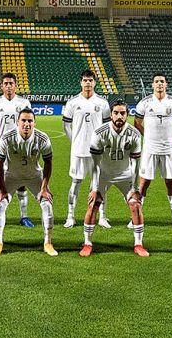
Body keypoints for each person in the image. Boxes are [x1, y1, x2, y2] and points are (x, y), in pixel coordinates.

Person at [80, 100, 145, 257]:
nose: (119, 116)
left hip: (125, 175)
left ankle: (138, 244)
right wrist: (95, 188)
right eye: (116, 113)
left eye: (123, 113)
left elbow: (136, 164)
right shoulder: (99, 133)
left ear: (127, 115)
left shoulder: (135, 134)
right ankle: (87, 243)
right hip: (103, 175)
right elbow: (94, 165)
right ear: (111, 114)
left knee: (136, 205)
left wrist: (135, 189)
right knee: (92, 205)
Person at [0, 108, 57, 257]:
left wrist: (44, 187)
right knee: (0, 205)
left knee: (47, 204)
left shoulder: (43, 138)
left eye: (30, 121)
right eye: (23, 120)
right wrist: (1, 188)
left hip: (34, 175)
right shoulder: (6, 138)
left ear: (34, 122)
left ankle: (48, 242)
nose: (27, 124)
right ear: (17, 122)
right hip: (12, 175)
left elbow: (48, 162)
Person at [0, 73, 34, 228]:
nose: (9, 86)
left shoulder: (24, 103)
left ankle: (24, 216)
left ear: (15, 85)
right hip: (1, 148)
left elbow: (30, 124)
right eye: (6, 83)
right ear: (2, 86)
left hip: (20, 148)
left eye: (11, 83)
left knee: (22, 182)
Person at [133, 72, 172, 228]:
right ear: (152, 85)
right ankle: (135, 216)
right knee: (143, 184)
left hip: (168, 149)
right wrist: (147, 136)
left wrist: (169, 137)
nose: (159, 84)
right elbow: (137, 122)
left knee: (170, 182)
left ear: (166, 84)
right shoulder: (145, 102)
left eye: (162, 81)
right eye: (157, 81)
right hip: (149, 149)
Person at [61, 70, 111, 228]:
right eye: (85, 80)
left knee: (99, 185)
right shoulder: (72, 102)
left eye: (90, 80)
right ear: (80, 82)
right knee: (76, 182)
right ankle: (71, 216)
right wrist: (74, 141)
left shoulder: (102, 103)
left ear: (94, 83)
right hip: (79, 151)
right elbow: (66, 125)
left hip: (97, 151)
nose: (88, 83)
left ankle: (102, 216)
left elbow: (107, 127)